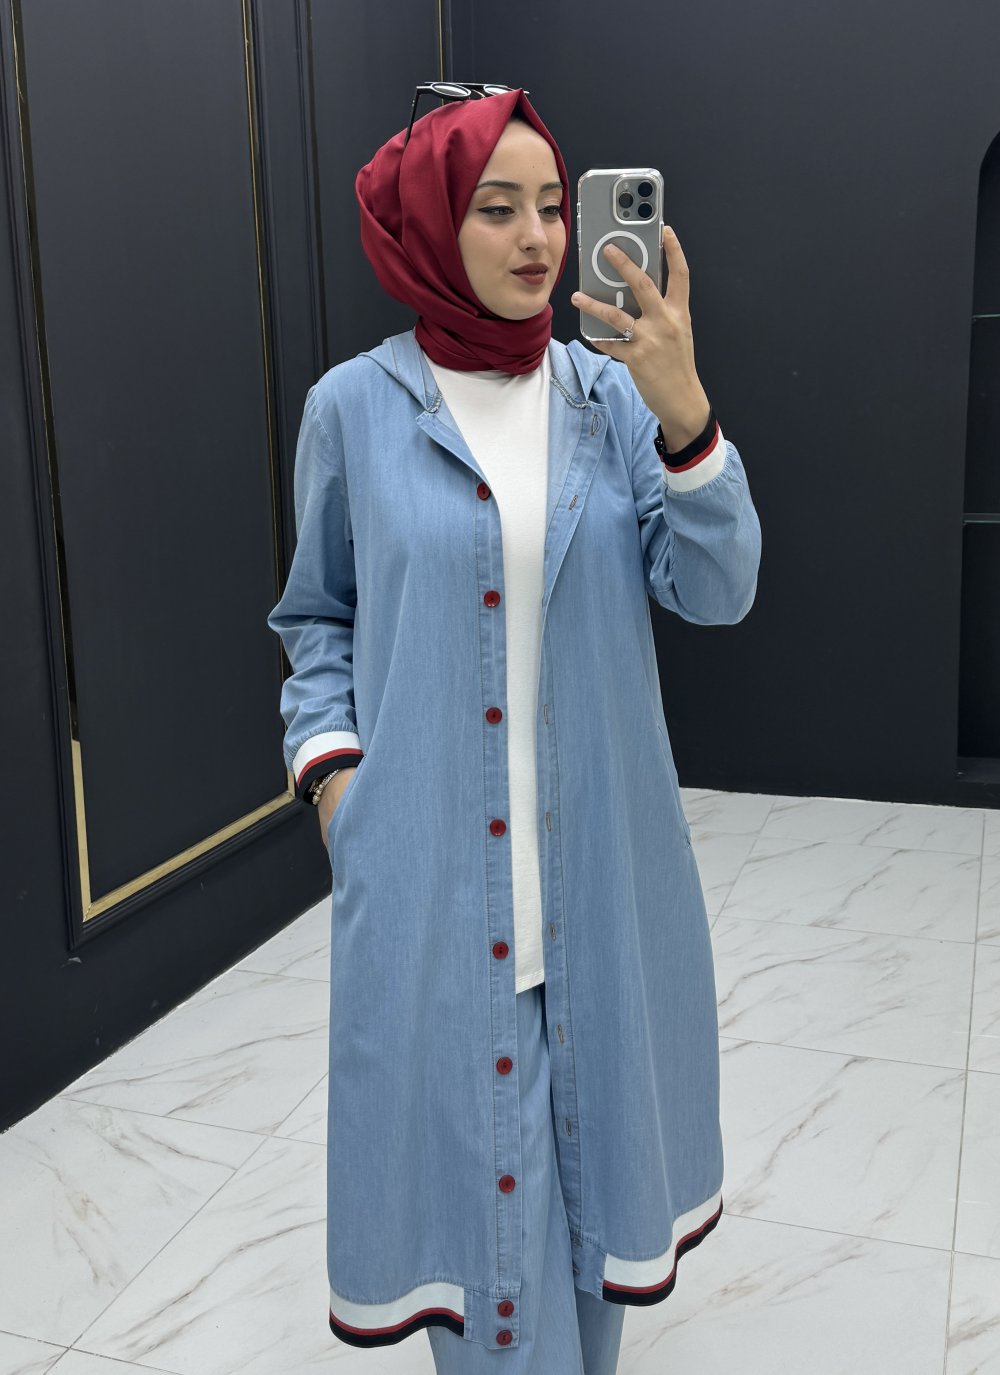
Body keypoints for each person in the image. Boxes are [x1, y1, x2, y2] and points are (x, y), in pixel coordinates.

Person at [267, 86, 761, 1374]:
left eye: (552, 204)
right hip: (434, 900)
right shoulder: (354, 410)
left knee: (598, 1261)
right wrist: (338, 786)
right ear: (433, 224)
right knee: (493, 1297)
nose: (538, 236)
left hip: (602, 896)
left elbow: (718, 589)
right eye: (496, 208)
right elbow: (316, 619)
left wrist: (686, 411)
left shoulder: (609, 401)